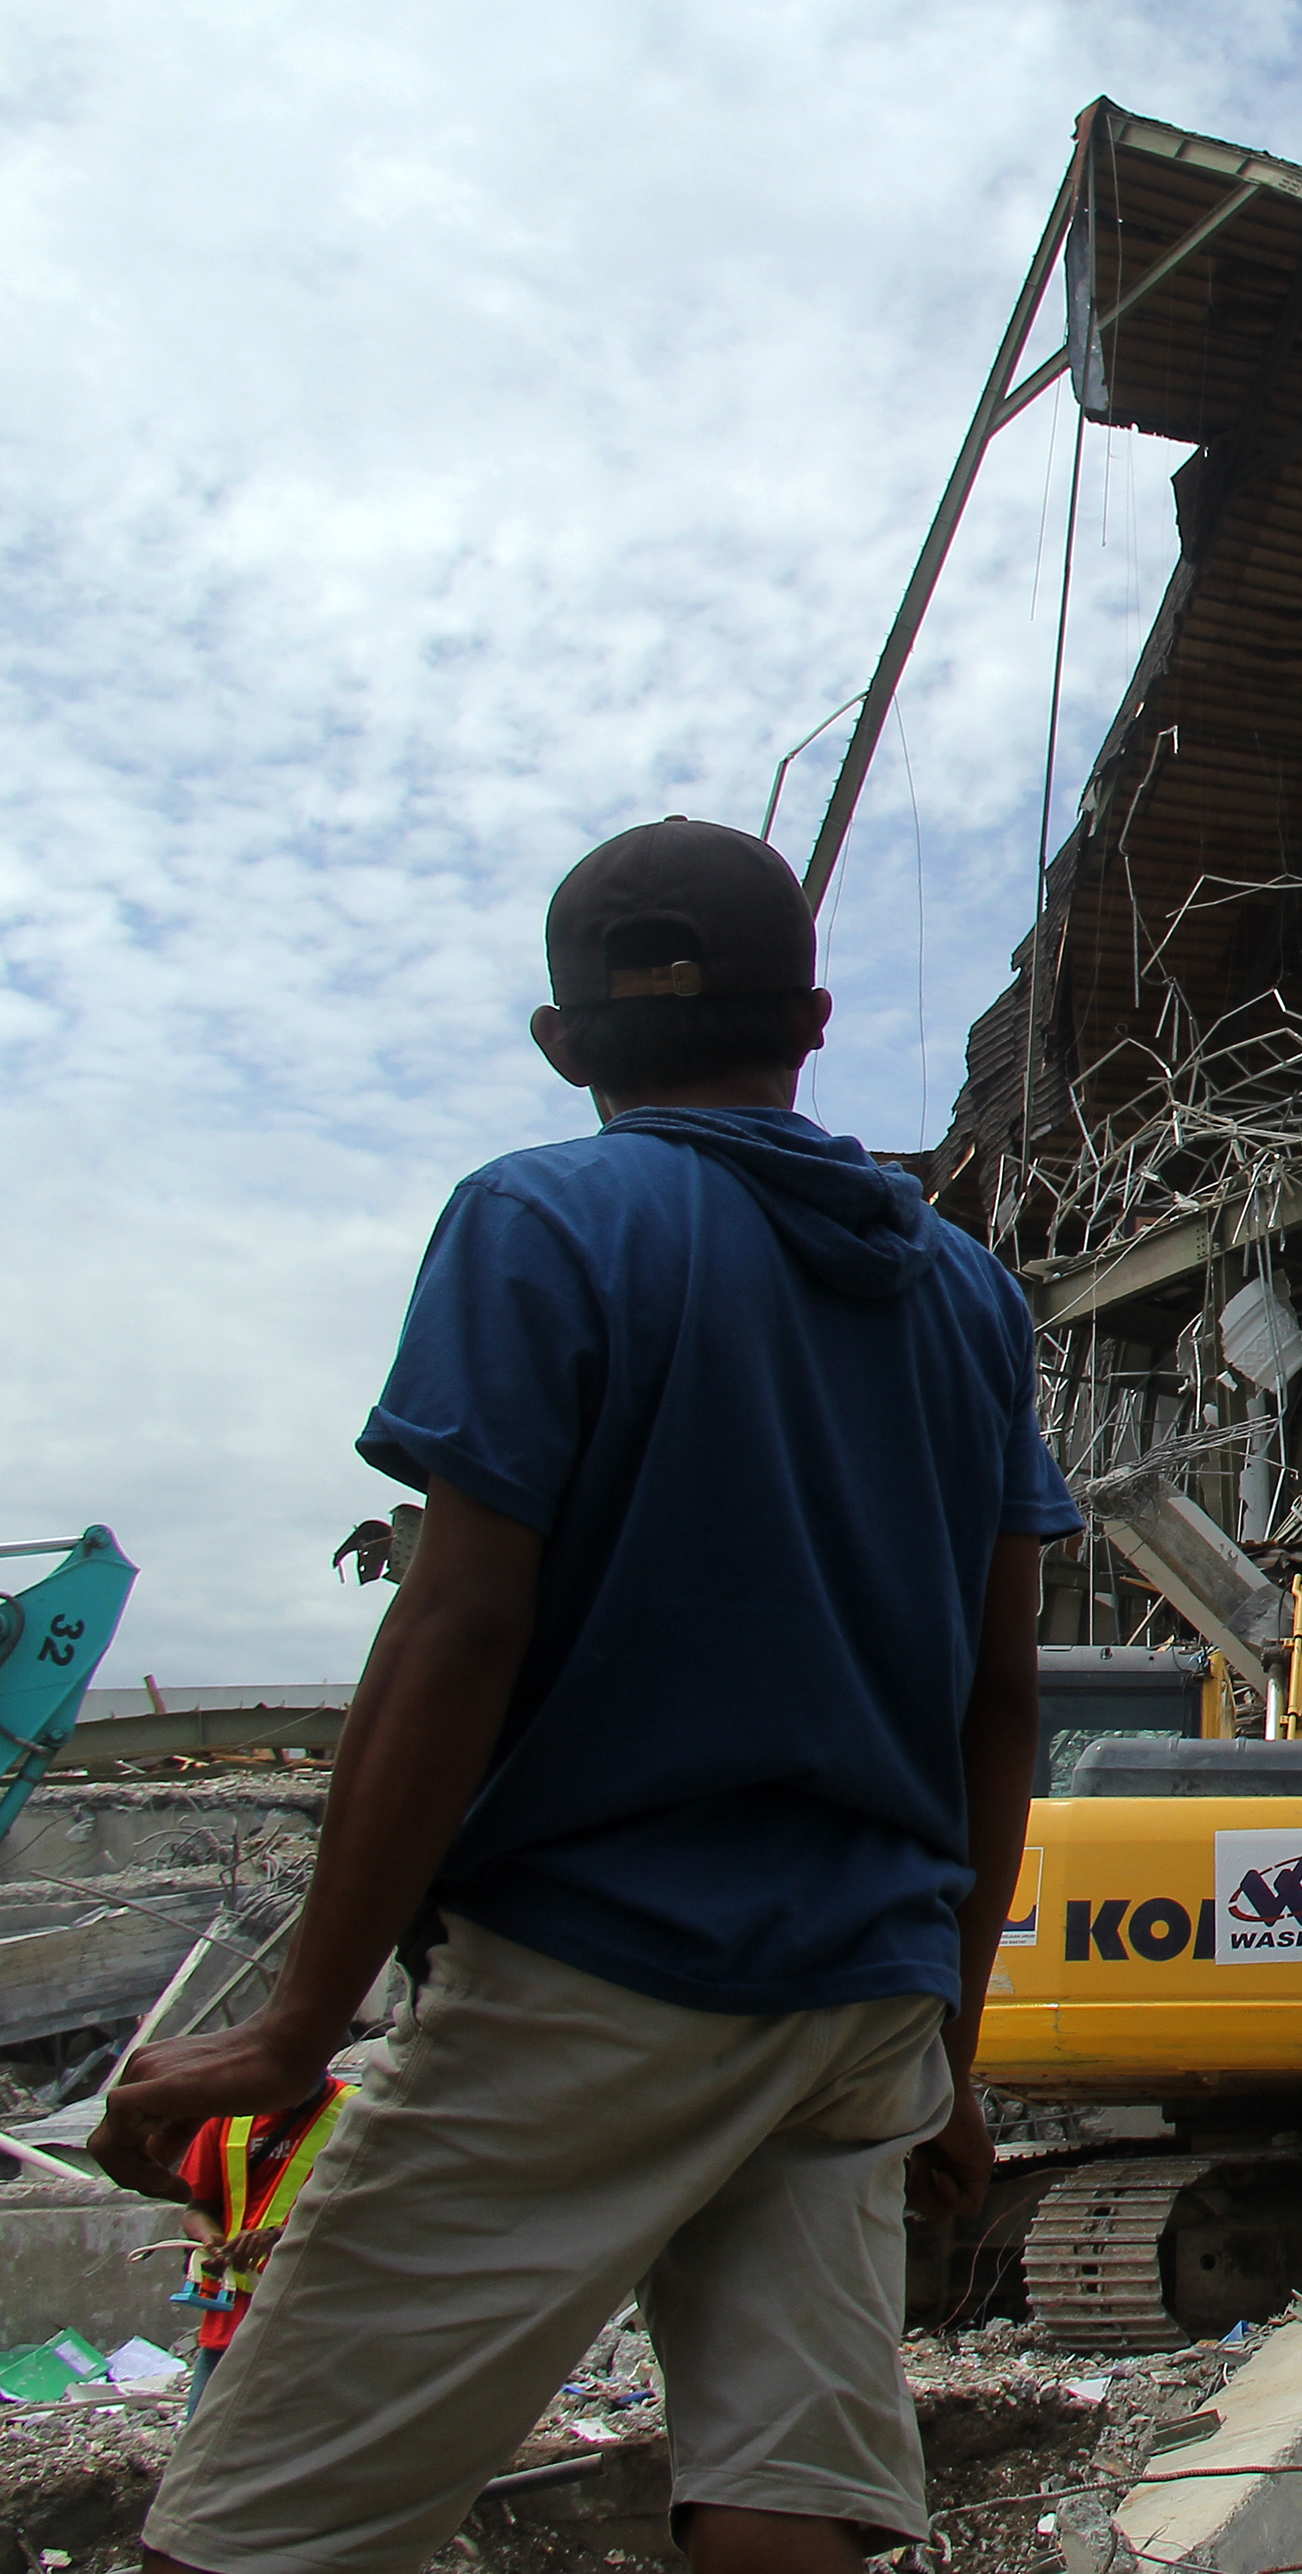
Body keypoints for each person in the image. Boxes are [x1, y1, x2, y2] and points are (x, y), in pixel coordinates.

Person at [97, 818, 1081, 2574]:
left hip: (597, 1970)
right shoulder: (968, 1298)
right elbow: (1000, 1699)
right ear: (817, 1021)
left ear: (563, 1043)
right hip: (859, 2000)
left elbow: (457, 1629)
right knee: (787, 2498)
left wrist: (296, 2021)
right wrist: (946, 2046)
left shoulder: (539, 1219)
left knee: (255, 2528)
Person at [170, 2073, 355, 2415]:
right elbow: (197, 2208)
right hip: (234, 2317)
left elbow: (370, 2213)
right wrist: (212, 2241)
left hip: (320, 2317)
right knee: (207, 2429)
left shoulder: (355, 2113)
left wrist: (275, 2237)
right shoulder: (227, 2115)